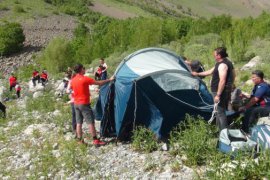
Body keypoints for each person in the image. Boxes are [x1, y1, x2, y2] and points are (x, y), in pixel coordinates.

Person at [192, 47, 235, 131]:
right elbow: (209, 72)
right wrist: (197, 73)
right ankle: (220, 130)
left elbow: (222, 80)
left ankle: (223, 133)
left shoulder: (222, 65)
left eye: (214, 54)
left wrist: (218, 95)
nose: (213, 56)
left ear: (218, 55)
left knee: (220, 112)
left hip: (220, 91)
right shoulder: (225, 63)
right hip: (225, 90)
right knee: (220, 111)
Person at [70, 63, 114, 146]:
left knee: (79, 123)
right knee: (90, 122)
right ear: (81, 69)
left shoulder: (73, 80)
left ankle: (79, 140)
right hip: (84, 103)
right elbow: (99, 83)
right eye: (84, 68)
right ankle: (96, 140)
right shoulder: (85, 79)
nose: (84, 69)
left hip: (76, 103)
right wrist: (109, 80)